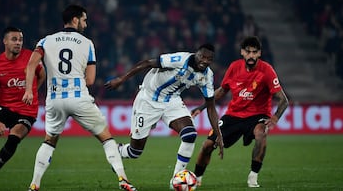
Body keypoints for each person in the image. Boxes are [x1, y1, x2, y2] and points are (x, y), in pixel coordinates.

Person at [22, 5, 137, 191]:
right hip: (79, 98)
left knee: (49, 141)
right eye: (84, 19)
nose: (86, 23)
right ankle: (123, 179)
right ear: (75, 20)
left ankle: (34, 184)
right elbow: (90, 80)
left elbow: (31, 64)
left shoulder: (45, 41)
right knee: (107, 139)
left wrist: (29, 90)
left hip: (55, 99)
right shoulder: (87, 43)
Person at [104, 43, 224, 189]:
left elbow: (210, 107)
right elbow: (147, 63)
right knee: (135, 152)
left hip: (171, 101)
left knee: (190, 135)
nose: (205, 61)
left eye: (209, 59)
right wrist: (122, 79)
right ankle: (118, 151)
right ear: (196, 54)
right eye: (202, 56)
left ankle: (176, 179)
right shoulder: (180, 59)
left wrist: (219, 135)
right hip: (148, 99)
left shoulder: (207, 76)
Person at [191, 36, 289, 188]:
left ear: (259, 54)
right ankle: (196, 178)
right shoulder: (234, 67)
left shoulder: (267, 70)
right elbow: (222, 91)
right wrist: (202, 107)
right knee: (207, 145)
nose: (251, 55)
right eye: (248, 52)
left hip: (258, 115)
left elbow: (283, 100)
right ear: (242, 52)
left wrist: (276, 117)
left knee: (261, 133)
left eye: (254, 52)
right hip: (233, 115)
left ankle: (253, 176)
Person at [0, 27, 46, 191]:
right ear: (5, 41)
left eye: (20, 39)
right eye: (14, 39)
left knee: (15, 135)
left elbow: (42, 75)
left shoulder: (31, 58)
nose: (18, 43)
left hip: (27, 111)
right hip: (4, 108)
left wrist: (31, 91)